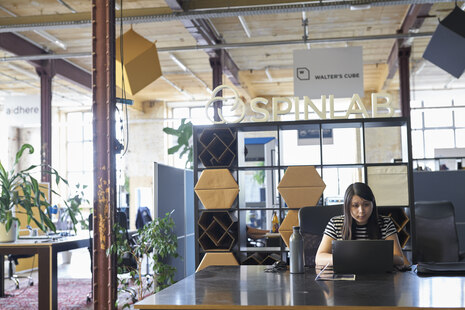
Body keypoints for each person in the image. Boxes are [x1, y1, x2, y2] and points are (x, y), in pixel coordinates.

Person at [315, 182, 409, 268]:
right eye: (355, 205)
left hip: (378, 277)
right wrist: (349, 259)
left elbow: (399, 259)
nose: (361, 211)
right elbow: (319, 258)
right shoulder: (335, 223)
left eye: (366, 205)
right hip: (345, 278)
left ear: (373, 204)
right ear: (347, 207)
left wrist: (366, 259)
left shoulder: (386, 223)